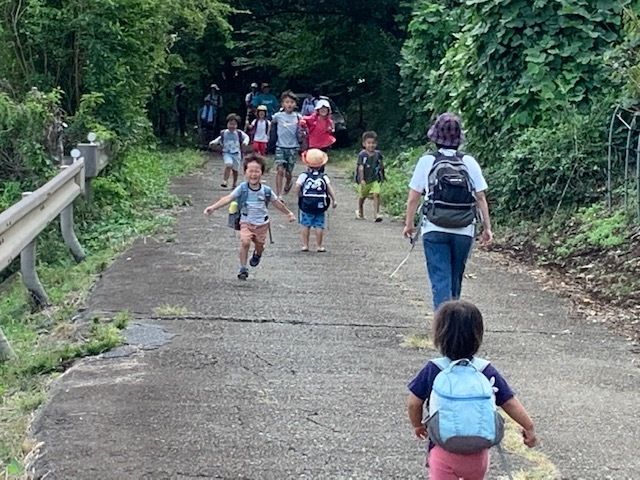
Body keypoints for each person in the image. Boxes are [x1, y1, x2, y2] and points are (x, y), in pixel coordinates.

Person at [406, 300, 537, 480]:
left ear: (439, 335)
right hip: (478, 452)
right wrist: (528, 427)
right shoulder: (485, 370)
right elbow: (509, 402)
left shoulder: (434, 369)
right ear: (478, 335)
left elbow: (414, 403)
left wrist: (417, 425)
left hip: (443, 450)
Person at [402, 113, 493, 311]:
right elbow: (480, 197)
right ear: (459, 140)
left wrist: (409, 224)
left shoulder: (427, 161)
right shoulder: (469, 162)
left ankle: (443, 326)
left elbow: (413, 198)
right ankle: (454, 323)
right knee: (455, 279)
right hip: (464, 229)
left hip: (434, 227)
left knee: (440, 278)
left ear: (435, 137)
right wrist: (487, 228)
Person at [204, 154, 296, 280]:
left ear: (262, 173)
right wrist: (213, 207)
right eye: (250, 171)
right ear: (245, 172)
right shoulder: (242, 188)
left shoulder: (266, 190)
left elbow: (276, 203)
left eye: (257, 171)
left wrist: (288, 213)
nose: (253, 174)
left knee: (260, 246)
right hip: (246, 222)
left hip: (262, 224)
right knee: (245, 241)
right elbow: (228, 198)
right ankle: (243, 268)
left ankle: (257, 254)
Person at [295, 149, 337, 252]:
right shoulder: (324, 176)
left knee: (305, 224)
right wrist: (334, 199)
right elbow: (328, 188)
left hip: (306, 203)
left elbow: (297, 186)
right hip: (320, 204)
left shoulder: (303, 176)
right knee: (319, 225)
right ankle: (319, 246)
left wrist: (299, 195)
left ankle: (305, 245)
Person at [271, 90, 301, 196]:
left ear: (295, 104)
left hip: (293, 147)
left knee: (288, 173)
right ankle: (279, 195)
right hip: (280, 146)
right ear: (283, 104)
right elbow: (269, 122)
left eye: (292, 102)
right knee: (280, 170)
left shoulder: (298, 117)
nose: (289, 104)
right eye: (287, 102)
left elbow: (303, 129)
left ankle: (289, 181)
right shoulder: (278, 116)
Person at [209, 113, 250, 189]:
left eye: (234, 124)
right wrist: (213, 142)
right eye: (230, 124)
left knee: (235, 170)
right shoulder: (224, 133)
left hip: (236, 153)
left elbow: (246, 137)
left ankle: (234, 183)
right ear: (227, 124)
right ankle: (225, 181)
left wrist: (245, 143)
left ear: (237, 125)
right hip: (227, 152)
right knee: (228, 164)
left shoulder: (239, 133)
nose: (232, 126)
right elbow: (218, 139)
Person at [355, 131, 384, 222]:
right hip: (364, 180)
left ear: (376, 144)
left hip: (375, 179)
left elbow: (381, 165)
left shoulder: (378, 154)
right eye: (369, 143)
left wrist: (382, 175)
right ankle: (360, 210)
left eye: (373, 143)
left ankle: (376, 214)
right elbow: (360, 167)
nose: (371, 145)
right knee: (362, 196)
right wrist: (362, 179)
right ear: (364, 144)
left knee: (377, 194)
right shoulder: (362, 155)